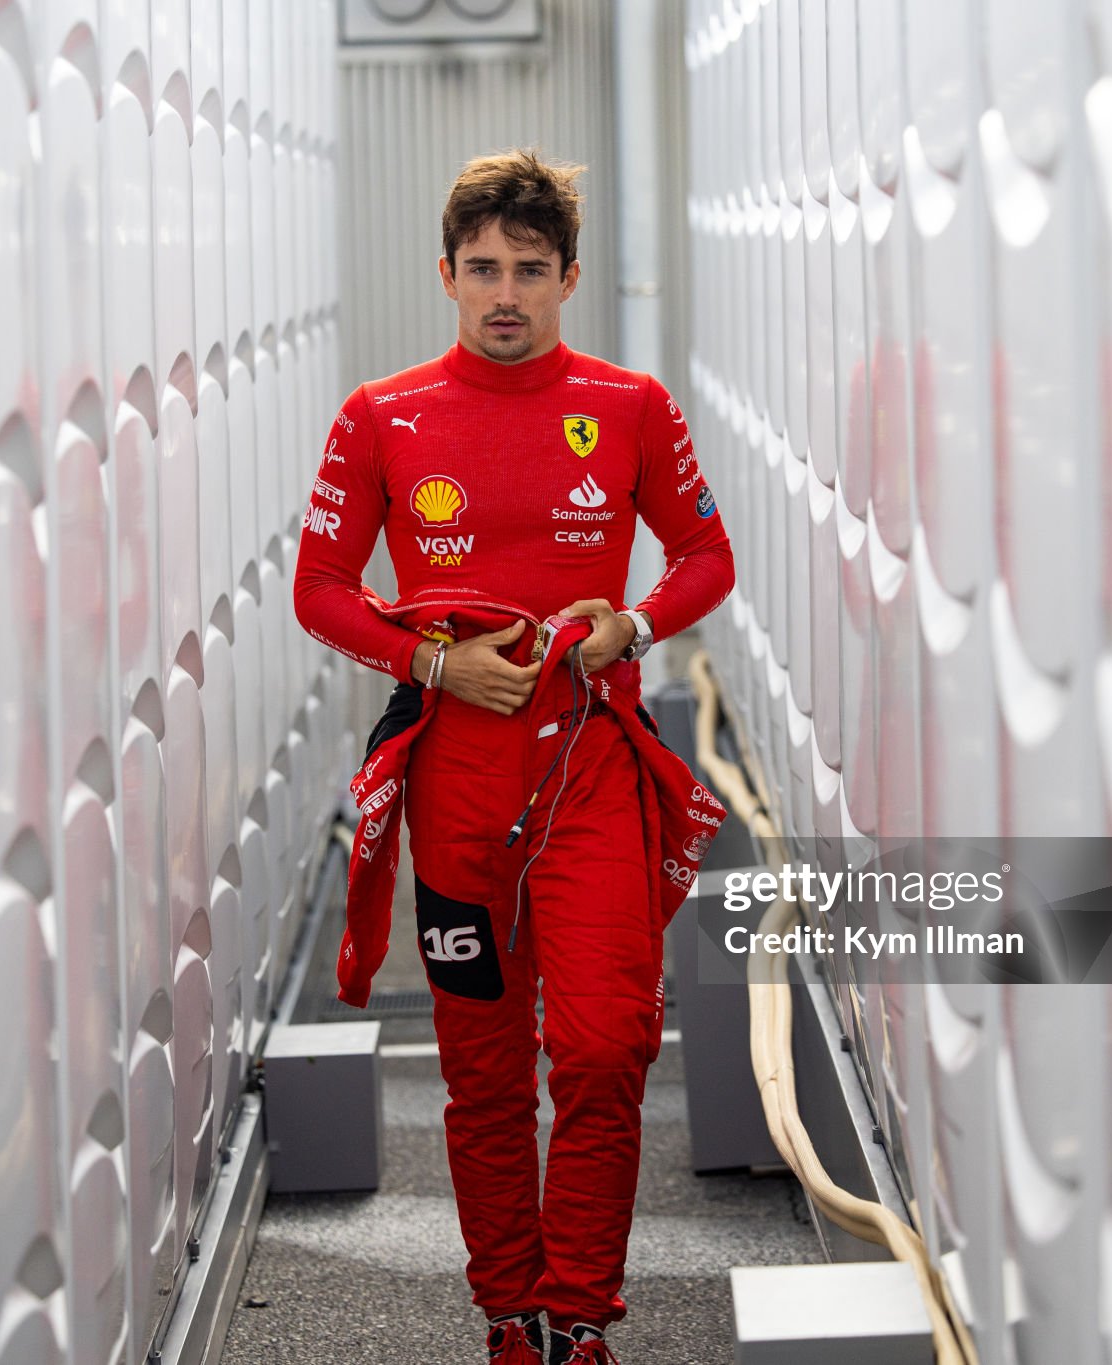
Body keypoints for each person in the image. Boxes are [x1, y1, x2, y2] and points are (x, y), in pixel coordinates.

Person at [292, 149, 735, 1365]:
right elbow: (319, 590)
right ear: (443, 274)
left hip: (591, 766)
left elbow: (705, 557)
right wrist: (432, 666)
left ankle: (581, 1317)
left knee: (601, 1044)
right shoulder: (381, 416)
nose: (504, 294)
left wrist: (629, 625)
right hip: (454, 781)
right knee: (483, 1072)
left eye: (528, 272)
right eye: (481, 269)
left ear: (567, 280)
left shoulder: (631, 405)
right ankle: (508, 1319)